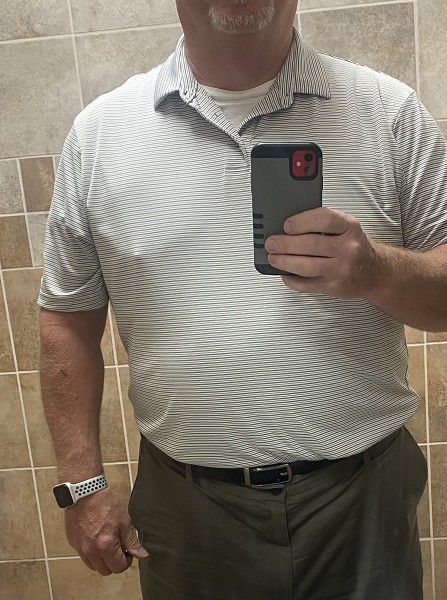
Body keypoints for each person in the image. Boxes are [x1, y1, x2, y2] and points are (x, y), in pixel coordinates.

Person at [38, 1, 447, 599]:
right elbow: (67, 319)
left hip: (360, 503)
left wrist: (376, 270)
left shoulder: (389, 113)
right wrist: (81, 484)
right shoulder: (100, 137)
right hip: (187, 513)